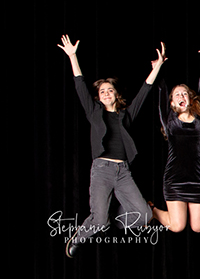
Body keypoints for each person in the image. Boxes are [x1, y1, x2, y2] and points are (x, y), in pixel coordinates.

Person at [59, 35, 166, 257]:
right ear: (98, 98)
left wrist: (158, 67)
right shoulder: (94, 113)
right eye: (102, 91)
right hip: (102, 170)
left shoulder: (126, 115)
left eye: (110, 90)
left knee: (145, 216)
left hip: (124, 171)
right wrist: (72, 56)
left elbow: (145, 90)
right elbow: (79, 84)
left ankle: (112, 222)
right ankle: (80, 236)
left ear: (116, 94)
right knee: (98, 220)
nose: (106, 93)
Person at [150, 48, 200, 233]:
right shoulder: (169, 120)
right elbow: (162, 88)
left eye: (184, 93)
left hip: (197, 178)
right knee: (177, 226)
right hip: (175, 178)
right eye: (177, 94)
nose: (181, 96)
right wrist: (158, 68)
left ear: (190, 99)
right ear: (172, 103)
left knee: (198, 227)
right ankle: (153, 210)